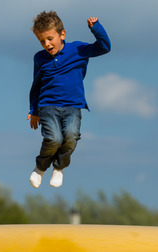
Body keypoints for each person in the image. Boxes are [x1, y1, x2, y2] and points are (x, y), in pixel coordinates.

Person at [27, 11, 111, 188]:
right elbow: (36, 85)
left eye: (50, 38)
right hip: (47, 106)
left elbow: (104, 47)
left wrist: (96, 28)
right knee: (54, 139)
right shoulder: (39, 58)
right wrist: (34, 110)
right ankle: (40, 168)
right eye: (42, 41)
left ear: (62, 34)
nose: (47, 44)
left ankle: (58, 168)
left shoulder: (78, 50)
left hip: (73, 106)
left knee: (71, 137)